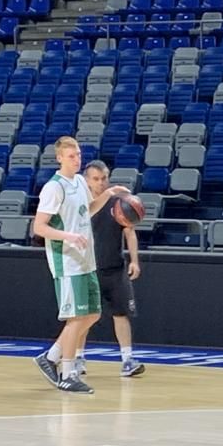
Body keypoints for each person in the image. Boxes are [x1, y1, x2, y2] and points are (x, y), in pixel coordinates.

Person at [31, 137, 128, 394]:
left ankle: (50, 357)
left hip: (86, 260)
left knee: (93, 314)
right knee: (76, 319)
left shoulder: (79, 183)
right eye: (71, 155)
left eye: (78, 154)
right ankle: (68, 372)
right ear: (59, 158)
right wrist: (69, 236)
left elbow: (89, 209)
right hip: (67, 261)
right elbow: (39, 227)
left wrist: (108, 193)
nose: (77, 159)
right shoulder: (54, 188)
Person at [75, 160, 145, 377]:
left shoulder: (118, 203)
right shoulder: (81, 204)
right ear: (87, 180)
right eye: (96, 179)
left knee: (121, 314)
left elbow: (129, 232)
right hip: (87, 269)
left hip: (114, 268)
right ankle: (77, 358)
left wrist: (134, 260)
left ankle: (127, 360)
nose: (101, 183)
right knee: (82, 317)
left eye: (104, 178)